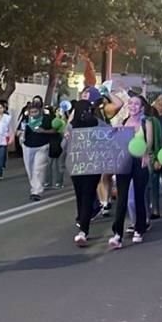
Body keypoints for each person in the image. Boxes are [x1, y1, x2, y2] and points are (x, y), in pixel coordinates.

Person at [109, 95, 154, 249]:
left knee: (139, 197)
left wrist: (146, 154)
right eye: (131, 103)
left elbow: (149, 143)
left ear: (141, 107)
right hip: (124, 161)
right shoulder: (122, 122)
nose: (133, 106)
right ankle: (117, 234)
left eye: (136, 104)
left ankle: (139, 228)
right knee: (122, 198)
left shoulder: (145, 122)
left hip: (139, 161)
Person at [67, 98, 102, 247]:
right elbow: (64, 146)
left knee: (87, 195)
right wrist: (67, 138)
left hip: (92, 165)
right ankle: (83, 218)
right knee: (80, 195)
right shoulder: (71, 126)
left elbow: (109, 136)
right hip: (76, 165)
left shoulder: (97, 123)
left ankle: (83, 229)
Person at [18, 98, 54, 201]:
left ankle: (36, 191)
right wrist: (20, 134)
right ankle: (34, 186)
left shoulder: (47, 118)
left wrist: (44, 131)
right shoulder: (25, 119)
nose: (33, 114)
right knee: (30, 169)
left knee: (38, 168)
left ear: (40, 111)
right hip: (27, 146)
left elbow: (56, 130)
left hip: (42, 146)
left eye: (35, 112)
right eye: (31, 112)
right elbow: (19, 130)